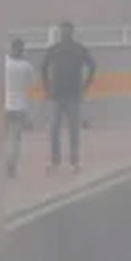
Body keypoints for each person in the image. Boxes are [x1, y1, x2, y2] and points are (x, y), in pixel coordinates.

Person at [39, 22, 96, 173]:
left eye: (67, 31)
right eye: (63, 31)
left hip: (74, 95)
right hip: (56, 95)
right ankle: (55, 161)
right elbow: (43, 68)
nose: (65, 34)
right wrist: (47, 88)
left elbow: (92, 66)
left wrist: (85, 86)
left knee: (74, 130)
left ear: (72, 32)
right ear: (60, 33)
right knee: (54, 129)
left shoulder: (79, 49)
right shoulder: (54, 49)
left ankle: (74, 161)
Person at [5, 37, 37, 178]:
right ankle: (11, 167)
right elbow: (31, 84)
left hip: (3, 105)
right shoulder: (26, 66)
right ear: (22, 50)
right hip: (19, 106)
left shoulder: (3, 63)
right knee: (14, 139)